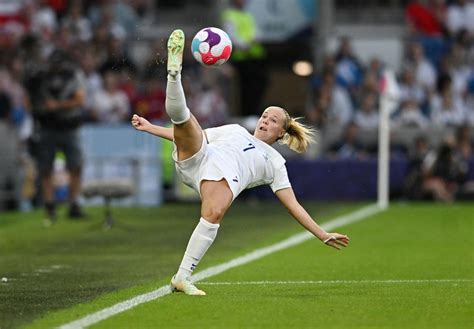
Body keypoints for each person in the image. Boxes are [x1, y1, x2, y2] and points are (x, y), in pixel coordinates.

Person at [131, 30, 350, 296]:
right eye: (265, 115)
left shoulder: (275, 162)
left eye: (272, 120)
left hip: (221, 177)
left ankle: (182, 277)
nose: (265, 120)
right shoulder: (235, 129)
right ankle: (174, 74)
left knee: (213, 214)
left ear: (281, 132)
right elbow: (191, 137)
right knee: (185, 121)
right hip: (198, 157)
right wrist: (150, 127)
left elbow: (293, 205)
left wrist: (321, 233)